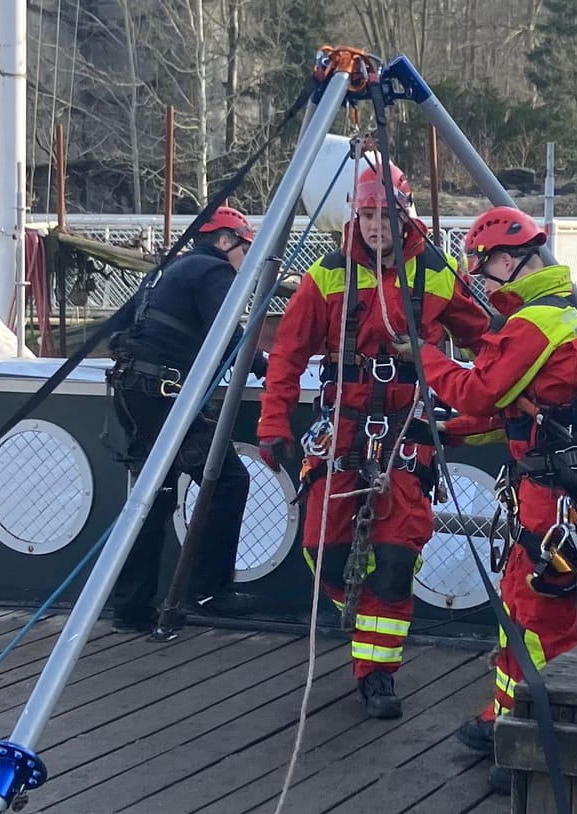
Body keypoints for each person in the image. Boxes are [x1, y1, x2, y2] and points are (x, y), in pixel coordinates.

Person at [255, 162, 491, 719]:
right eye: (367, 215)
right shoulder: (327, 276)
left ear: (403, 214)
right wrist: (273, 425)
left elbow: (487, 338)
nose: (377, 226)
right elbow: (287, 354)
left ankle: (377, 675)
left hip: (408, 430)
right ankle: (362, 624)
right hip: (342, 432)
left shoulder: (436, 271)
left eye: (386, 215)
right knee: (325, 555)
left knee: (394, 561)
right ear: (354, 215)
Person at [429, 208, 577, 778]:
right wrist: (441, 432)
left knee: (541, 618)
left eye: (484, 269)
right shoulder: (550, 317)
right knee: (520, 606)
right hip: (549, 486)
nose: (481, 282)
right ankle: (507, 716)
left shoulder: (538, 322)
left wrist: (425, 358)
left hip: (557, 493)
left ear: (509, 261)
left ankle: (538, 740)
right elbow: (514, 413)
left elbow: (481, 392)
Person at [107, 205, 260, 631]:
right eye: (246, 250)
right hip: (166, 399)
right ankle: (211, 590)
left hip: (135, 394)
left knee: (152, 497)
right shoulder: (214, 273)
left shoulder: (165, 272)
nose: (246, 262)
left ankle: (131, 606)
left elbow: (116, 330)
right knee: (228, 479)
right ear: (227, 241)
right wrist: (267, 365)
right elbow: (229, 335)